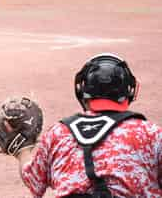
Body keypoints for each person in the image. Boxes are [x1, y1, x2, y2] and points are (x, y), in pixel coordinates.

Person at [15, 53, 162, 197]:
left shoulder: (57, 133)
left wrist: (22, 150)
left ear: (82, 91)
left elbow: (33, 180)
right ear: (129, 91)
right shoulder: (151, 135)